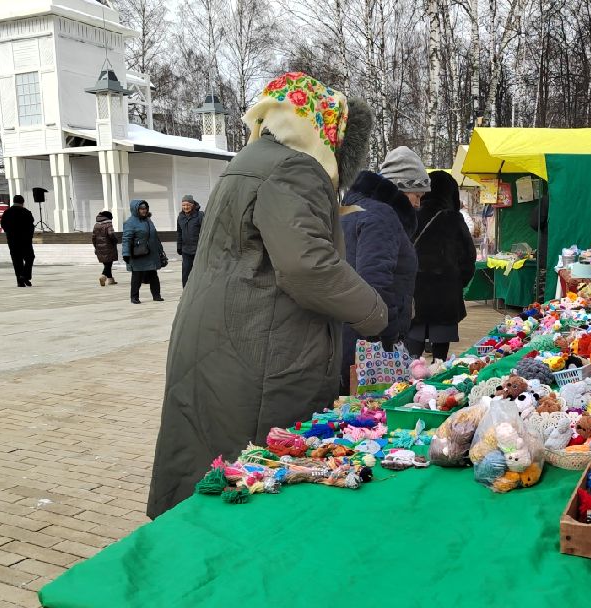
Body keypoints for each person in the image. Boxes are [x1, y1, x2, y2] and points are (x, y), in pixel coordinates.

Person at [147, 72, 387, 519]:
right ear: (321, 127)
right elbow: (306, 265)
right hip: (261, 349)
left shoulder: (250, 158)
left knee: (208, 462)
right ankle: (236, 571)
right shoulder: (296, 168)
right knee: (258, 474)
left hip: (220, 337)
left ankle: (193, 557)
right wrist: (374, 312)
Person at [338, 146, 426, 394]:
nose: (418, 204)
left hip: (345, 331)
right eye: (416, 195)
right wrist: (389, 335)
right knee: (370, 413)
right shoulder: (382, 216)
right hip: (370, 342)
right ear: (399, 187)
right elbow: (374, 281)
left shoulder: (353, 210)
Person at [407, 170, 477, 360]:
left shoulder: (411, 215)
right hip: (445, 294)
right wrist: (456, 281)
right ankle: (437, 380)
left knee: (413, 341)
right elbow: (469, 257)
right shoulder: (454, 220)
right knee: (440, 352)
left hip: (415, 291)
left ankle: (407, 380)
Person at [121, 200, 165, 304]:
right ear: (135, 209)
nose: (144, 210)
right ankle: (134, 297)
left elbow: (155, 237)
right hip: (138, 254)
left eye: (145, 208)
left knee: (153, 275)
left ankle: (157, 296)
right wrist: (126, 253)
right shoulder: (130, 222)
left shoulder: (148, 220)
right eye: (141, 208)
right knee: (137, 276)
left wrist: (160, 251)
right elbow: (126, 239)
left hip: (151, 253)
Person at [0, 194, 36, 287]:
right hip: (25, 240)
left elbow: (3, 225)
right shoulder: (26, 212)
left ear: (13, 202)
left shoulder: (7, 212)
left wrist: (10, 233)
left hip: (12, 240)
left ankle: (20, 281)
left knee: (16, 259)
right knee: (29, 257)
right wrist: (29, 236)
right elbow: (31, 226)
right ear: (22, 202)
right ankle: (25, 276)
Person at [176, 194, 204, 287]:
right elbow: (179, 233)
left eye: (187, 205)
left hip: (199, 250)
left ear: (192, 205)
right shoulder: (180, 217)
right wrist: (179, 247)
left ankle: (198, 292)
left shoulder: (200, 215)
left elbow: (205, 232)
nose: (185, 207)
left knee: (199, 272)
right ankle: (185, 294)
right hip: (186, 250)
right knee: (186, 272)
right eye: (183, 205)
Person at [92, 210, 119, 286]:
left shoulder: (96, 225)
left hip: (99, 247)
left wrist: (96, 246)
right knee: (109, 263)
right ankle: (103, 276)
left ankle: (110, 279)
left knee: (106, 263)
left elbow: (93, 237)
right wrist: (115, 241)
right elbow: (111, 234)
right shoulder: (108, 224)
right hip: (109, 246)